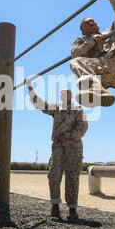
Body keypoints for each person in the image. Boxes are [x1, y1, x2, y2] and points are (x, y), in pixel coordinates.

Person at [25, 79, 88, 220]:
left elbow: (83, 127)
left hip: (73, 148)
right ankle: (55, 208)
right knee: (53, 174)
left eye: (65, 94)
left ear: (71, 96)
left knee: (72, 177)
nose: (62, 97)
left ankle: (72, 211)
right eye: (61, 95)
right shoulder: (56, 108)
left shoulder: (79, 110)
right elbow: (40, 105)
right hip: (58, 147)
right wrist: (30, 88)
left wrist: (68, 136)